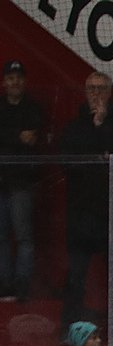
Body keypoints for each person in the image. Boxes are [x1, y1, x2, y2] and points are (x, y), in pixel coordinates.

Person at [57, 72, 113, 324]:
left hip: (111, 214)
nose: (95, 94)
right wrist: (98, 155)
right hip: (80, 214)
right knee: (76, 275)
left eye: (101, 89)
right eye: (91, 88)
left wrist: (101, 126)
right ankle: (69, 326)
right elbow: (66, 162)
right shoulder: (73, 127)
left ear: (110, 92)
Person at [0, 60, 45, 302]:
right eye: (10, 77)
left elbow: (31, 139)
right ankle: (4, 285)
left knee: (24, 237)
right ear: (4, 82)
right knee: (1, 238)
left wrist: (9, 137)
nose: (14, 81)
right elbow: (22, 137)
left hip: (22, 184)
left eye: (18, 77)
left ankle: (22, 286)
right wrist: (17, 135)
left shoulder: (33, 108)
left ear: (24, 81)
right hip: (1, 182)